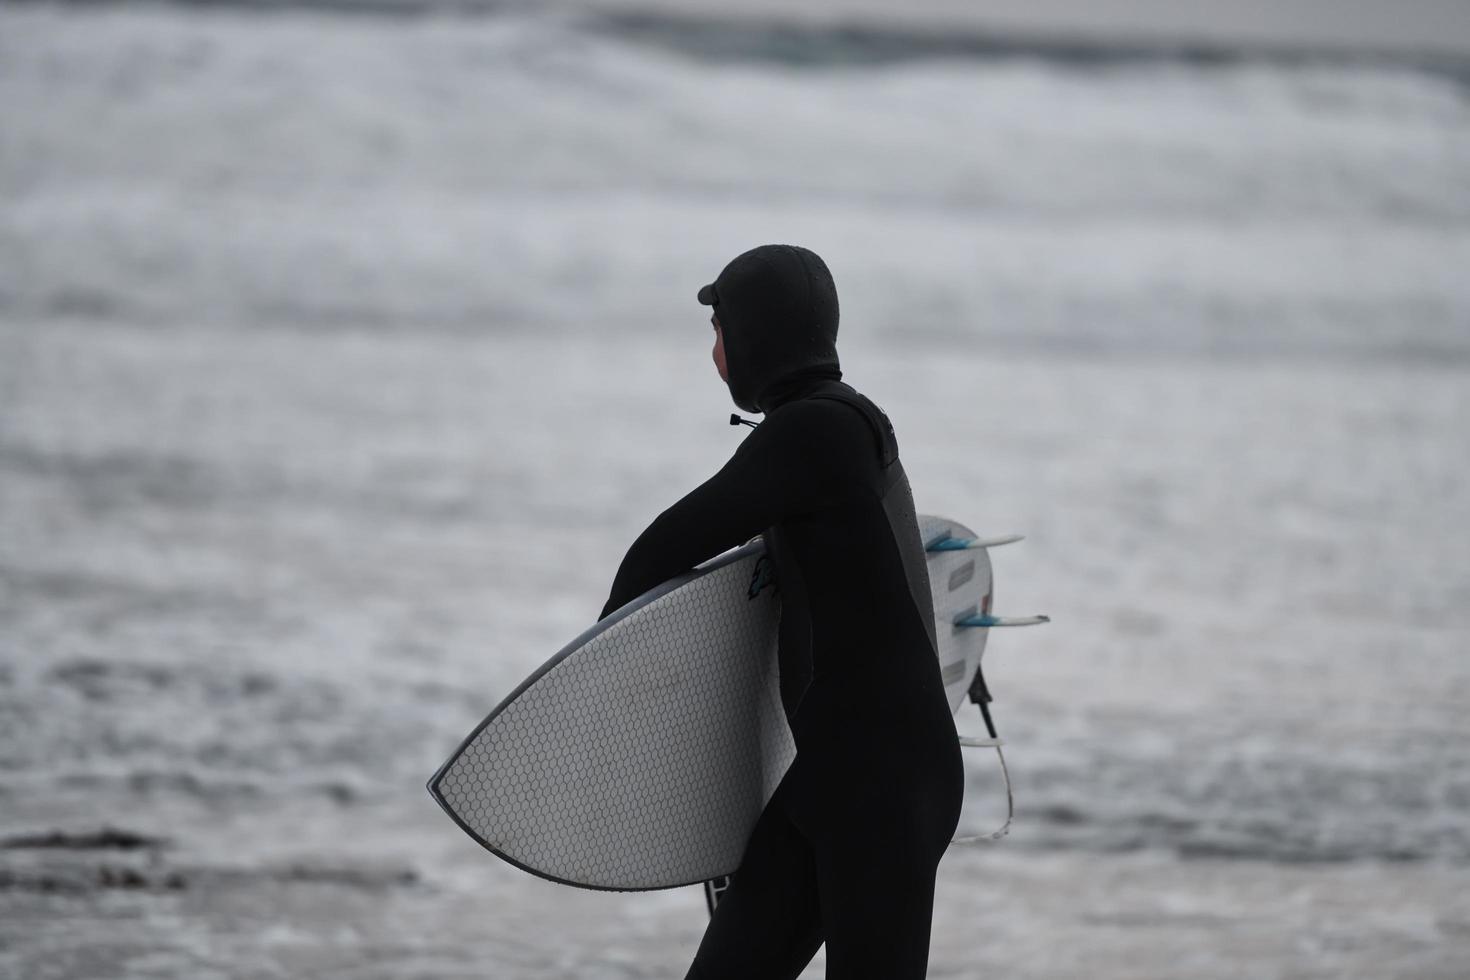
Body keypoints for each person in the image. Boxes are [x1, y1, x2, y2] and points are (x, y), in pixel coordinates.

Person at [599, 244, 963, 980]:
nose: (715, 352)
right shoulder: (846, 424)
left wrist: (618, 682)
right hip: (833, 780)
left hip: (880, 791)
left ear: (754, 335)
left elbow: (657, 553)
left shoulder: (813, 435)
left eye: (719, 330)